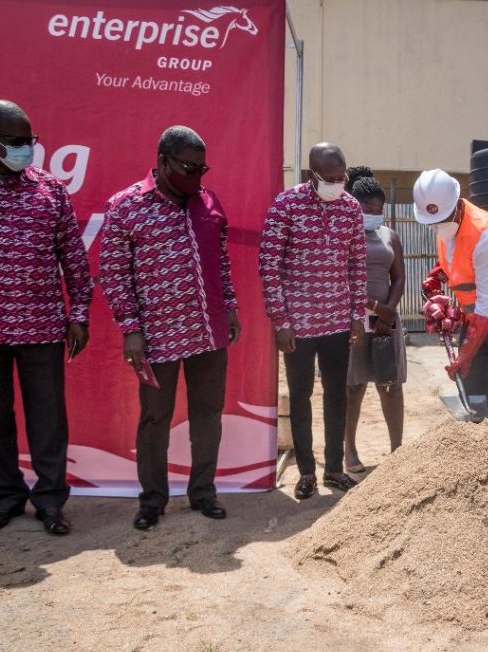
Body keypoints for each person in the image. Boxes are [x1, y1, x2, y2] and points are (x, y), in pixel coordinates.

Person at [101, 125, 240, 531]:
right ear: (162, 162)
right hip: (156, 335)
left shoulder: (207, 201)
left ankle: (203, 492)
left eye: (202, 168)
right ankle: (152, 501)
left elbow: (222, 264)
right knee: (155, 418)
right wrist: (131, 328)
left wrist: (230, 307)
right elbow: (113, 273)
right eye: (188, 167)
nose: (197, 177)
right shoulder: (126, 206)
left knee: (208, 414)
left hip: (208, 330)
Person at [0, 100, 92, 535]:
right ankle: (7, 497)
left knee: (49, 418)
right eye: (15, 142)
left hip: (42, 326)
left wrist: (79, 314)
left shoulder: (50, 189)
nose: (26, 150)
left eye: (29, 141)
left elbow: (73, 258)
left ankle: (51, 501)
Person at [259, 143, 366, 500]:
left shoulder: (351, 208)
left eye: (342, 177)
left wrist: (356, 316)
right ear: (311, 176)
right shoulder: (286, 205)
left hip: (337, 321)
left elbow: (356, 266)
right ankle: (306, 473)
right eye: (331, 179)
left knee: (336, 395)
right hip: (297, 326)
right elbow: (269, 265)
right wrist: (281, 320)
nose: (338, 184)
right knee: (301, 396)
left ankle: (334, 469)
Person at [416, 169, 488, 439]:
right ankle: (477, 446)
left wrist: (464, 356)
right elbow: (456, 261)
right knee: (471, 381)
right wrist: (436, 278)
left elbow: (487, 307)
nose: (435, 226)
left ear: (456, 205)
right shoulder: (445, 223)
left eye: (440, 219)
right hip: (476, 314)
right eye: (431, 221)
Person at [343, 167, 406, 473]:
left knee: (390, 384)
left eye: (378, 209)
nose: (373, 214)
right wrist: (372, 307)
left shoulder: (390, 236)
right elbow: (338, 279)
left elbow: (399, 278)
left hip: (386, 321)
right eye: (367, 208)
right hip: (352, 320)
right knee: (352, 387)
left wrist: (389, 311)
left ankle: (397, 450)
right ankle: (350, 451)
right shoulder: (342, 235)